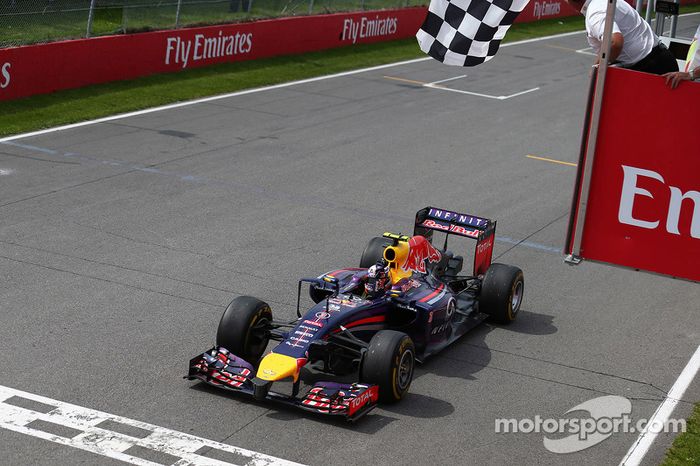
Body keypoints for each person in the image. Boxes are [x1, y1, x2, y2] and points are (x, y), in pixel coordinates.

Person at [565, 0, 678, 74]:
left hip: (650, 69)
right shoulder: (602, 2)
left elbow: (615, 42)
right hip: (660, 60)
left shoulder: (595, 13)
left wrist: (599, 69)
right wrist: (598, 63)